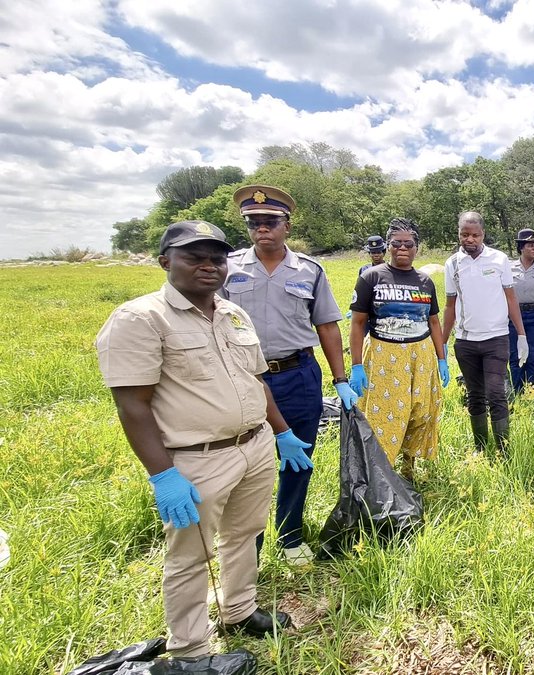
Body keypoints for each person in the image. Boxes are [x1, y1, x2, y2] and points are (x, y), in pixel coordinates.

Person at [96, 220, 300, 656]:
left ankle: (239, 610)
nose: (209, 266)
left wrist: (281, 433)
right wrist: (163, 475)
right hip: (197, 457)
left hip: (255, 446)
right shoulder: (141, 318)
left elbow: (257, 380)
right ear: (166, 261)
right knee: (191, 556)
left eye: (217, 258)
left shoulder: (232, 313)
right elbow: (133, 406)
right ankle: (190, 648)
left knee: (244, 534)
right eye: (194, 257)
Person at [222, 184, 357, 567]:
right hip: (243, 377)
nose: (261, 228)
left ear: (287, 225)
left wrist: (341, 379)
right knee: (246, 462)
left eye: (270, 221)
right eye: (253, 222)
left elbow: (327, 327)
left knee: (297, 459)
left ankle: (290, 534)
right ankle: (249, 545)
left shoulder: (309, 271)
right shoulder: (228, 267)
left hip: (297, 373)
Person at [349, 218, 448, 480]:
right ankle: (382, 476)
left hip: (421, 355)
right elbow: (358, 324)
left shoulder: (425, 282)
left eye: (409, 243)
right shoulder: (371, 277)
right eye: (396, 243)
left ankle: (408, 470)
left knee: (420, 412)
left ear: (417, 248)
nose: (402, 248)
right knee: (386, 416)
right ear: (388, 246)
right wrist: (356, 365)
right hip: (384, 356)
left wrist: (442, 359)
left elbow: (434, 321)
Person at [442, 211, 527, 454]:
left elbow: (511, 298)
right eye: (464, 234)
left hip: (496, 338)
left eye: (475, 235)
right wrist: (443, 342)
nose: (469, 239)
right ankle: (480, 448)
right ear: (458, 234)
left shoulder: (498, 259)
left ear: (483, 235)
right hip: (466, 341)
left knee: (496, 392)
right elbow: (450, 304)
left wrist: (521, 334)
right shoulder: (453, 263)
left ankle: (503, 450)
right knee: (475, 395)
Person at [508, 228, 534, 394]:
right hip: (514, 316)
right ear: (521, 248)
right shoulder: (509, 268)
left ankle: (532, 392)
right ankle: (517, 391)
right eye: (530, 245)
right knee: (515, 354)